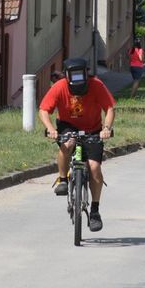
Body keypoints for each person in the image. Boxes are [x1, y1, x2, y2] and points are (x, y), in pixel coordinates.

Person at [39, 58, 115, 232]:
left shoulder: (97, 85)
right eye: (73, 75)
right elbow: (44, 110)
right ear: (66, 75)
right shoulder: (59, 87)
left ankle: (94, 211)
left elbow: (110, 108)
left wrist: (106, 129)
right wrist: (50, 129)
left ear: (86, 73)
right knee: (67, 144)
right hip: (68, 126)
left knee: (94, 167)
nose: (77, 79)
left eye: (81, 74)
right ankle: (63, 180)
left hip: (93, 129)